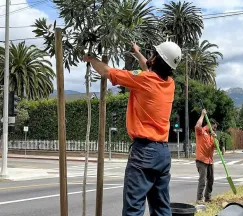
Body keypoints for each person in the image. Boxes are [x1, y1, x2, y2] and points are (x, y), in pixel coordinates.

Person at [83, 41, 182, 216]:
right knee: (161, 209)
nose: (151, 57)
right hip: (163, 154)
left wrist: (92, 59)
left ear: (157, 60)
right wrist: (137, 52)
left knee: (133, 209)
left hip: (144, 152)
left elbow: (107, 72)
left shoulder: (144, 80)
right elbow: (148, 68)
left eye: (154, 54)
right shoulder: (169, 84)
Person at [195, 109, 218, 204]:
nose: (215, 129)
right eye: (214, 127)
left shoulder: (212, 135)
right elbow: (197, 126)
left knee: (211, 180)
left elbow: (216, 147)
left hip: (210, 161)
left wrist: (215, 138)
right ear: (209, 125)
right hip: (201, 160)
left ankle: (208, 198)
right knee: (202, 180)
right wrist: (202, 115)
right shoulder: (201, 131)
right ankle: (199, 199)